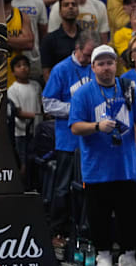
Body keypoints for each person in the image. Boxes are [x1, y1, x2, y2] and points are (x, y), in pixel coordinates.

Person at [69, 45, 136, 266]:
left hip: (125, 166)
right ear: (93, 67)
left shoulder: (128, 88)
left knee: (129, 215)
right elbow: (75, 126)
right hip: (97, 168)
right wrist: (97, 126)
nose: (106, 68)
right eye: (101, 64)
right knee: (100, 215)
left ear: (116, 65)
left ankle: (128, 258)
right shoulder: (84, 94)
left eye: (110, 63)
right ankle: (102, 257)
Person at [41, 31, 98, 246]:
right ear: (77, 49)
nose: (89, 60)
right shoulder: (62, 69)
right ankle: (58, 231)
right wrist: (76, 108)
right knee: (63, 187)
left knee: (88, 187)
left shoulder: (96, 68)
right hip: (67, 140)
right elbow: (48, 103)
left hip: (91, 140)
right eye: (86, 55)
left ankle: (84, 232)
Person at [8, 55, 42, 185]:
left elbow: (40, 103)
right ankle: (23, 186)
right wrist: (38, 115)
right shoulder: (12, 89)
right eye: (19, 66)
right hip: (21, 132)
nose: (23, 68)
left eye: (25, 65)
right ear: (13, 71)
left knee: (36, 161)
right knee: (23, 162)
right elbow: (18, 112)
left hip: (37, 131)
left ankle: (35, 185)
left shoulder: (36, 85)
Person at [40, 0, 79, 81]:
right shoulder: (49, 40)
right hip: (60, 88)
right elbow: (47, 73)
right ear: (60, 12)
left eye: (74, 4)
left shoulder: (87, 37)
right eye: (66, 5)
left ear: (78, 10)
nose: (70, 7)